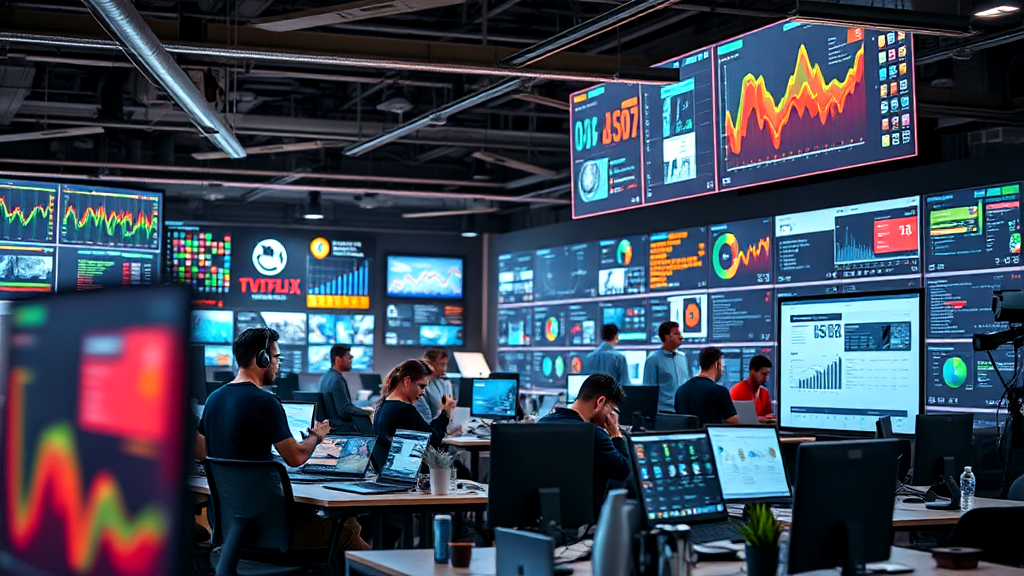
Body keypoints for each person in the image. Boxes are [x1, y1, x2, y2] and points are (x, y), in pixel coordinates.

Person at [195, 327, 368, 554]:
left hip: (230, 527)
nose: (277, 364)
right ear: (262, 358)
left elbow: (200, 452)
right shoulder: (265, 402)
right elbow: (295, 457)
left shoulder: (214, 399)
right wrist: (317, 435)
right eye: (276, 357)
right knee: (347, 529)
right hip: (270, 530)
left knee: (346, 527)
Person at [539, 374, 632, 515]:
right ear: (600, 402)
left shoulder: (541, 424)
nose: (612, 415)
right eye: (611, 409)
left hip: (545, 515)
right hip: (583, 522)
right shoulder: (595, 435)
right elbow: (624, 472)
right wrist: (615, 434)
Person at [374, 359, 456, 449]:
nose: (423, 392)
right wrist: (445, 414)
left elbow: (427, 431)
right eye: (421, 386)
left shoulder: (382, 405)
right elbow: (433, 440)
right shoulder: (404, 410)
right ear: (407, 381)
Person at [674, 347, 739, 426]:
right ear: (716, 364)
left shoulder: (681, 390)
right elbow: (731, 420)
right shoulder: (719, 391)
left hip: (688, 437)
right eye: (722, 366)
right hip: (711, 437)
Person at [643, 321, 692, 412]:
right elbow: (648, 391)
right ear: (667, 336)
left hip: (684, 410)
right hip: (664, 412)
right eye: (676, 334)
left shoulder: (683, 357)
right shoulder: (653, 360)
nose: (681, 337)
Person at [319, 344, 363, 431]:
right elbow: (344, 410)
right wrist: (366, 412)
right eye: (349, 357)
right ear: (338, 359)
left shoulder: (325, 376)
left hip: (330, 427)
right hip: (341, 429)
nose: (351, 361)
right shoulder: (337, 379)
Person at [730, 355, 775, 422]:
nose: (766, 378)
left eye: (768, 374)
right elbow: (734, 419)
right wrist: (760, 419)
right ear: (752, 370)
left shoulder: (764, 392)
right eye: (764, 374)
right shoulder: (737, 390)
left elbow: (769, 417)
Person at [415, 348, 455, 422]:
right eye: (442, 365)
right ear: (429, 364)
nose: (444, 370)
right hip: (431, 429)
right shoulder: (421, 387)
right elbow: (426, 420)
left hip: (442, 429)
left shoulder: (443, 383)